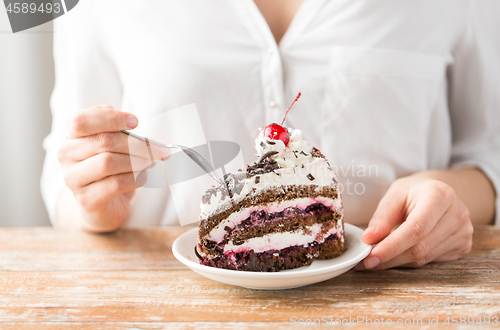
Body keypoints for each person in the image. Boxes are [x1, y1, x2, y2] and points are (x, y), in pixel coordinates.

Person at [42, 0, 500, 271]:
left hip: (391, 295)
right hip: (164, 304)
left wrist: (448, 197)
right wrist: (96, 205)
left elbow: (490, 156)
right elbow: (64, 174)